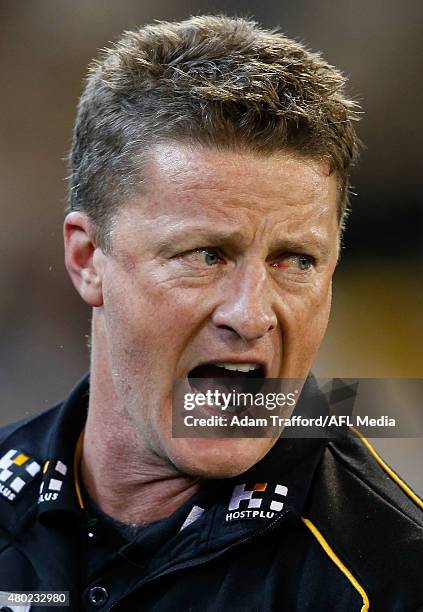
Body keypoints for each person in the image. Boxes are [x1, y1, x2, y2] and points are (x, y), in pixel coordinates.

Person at [0, 15, 421, 612]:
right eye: (206, 255)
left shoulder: (389, 576)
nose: (251, 316)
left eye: (296, 260)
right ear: (88, 258)